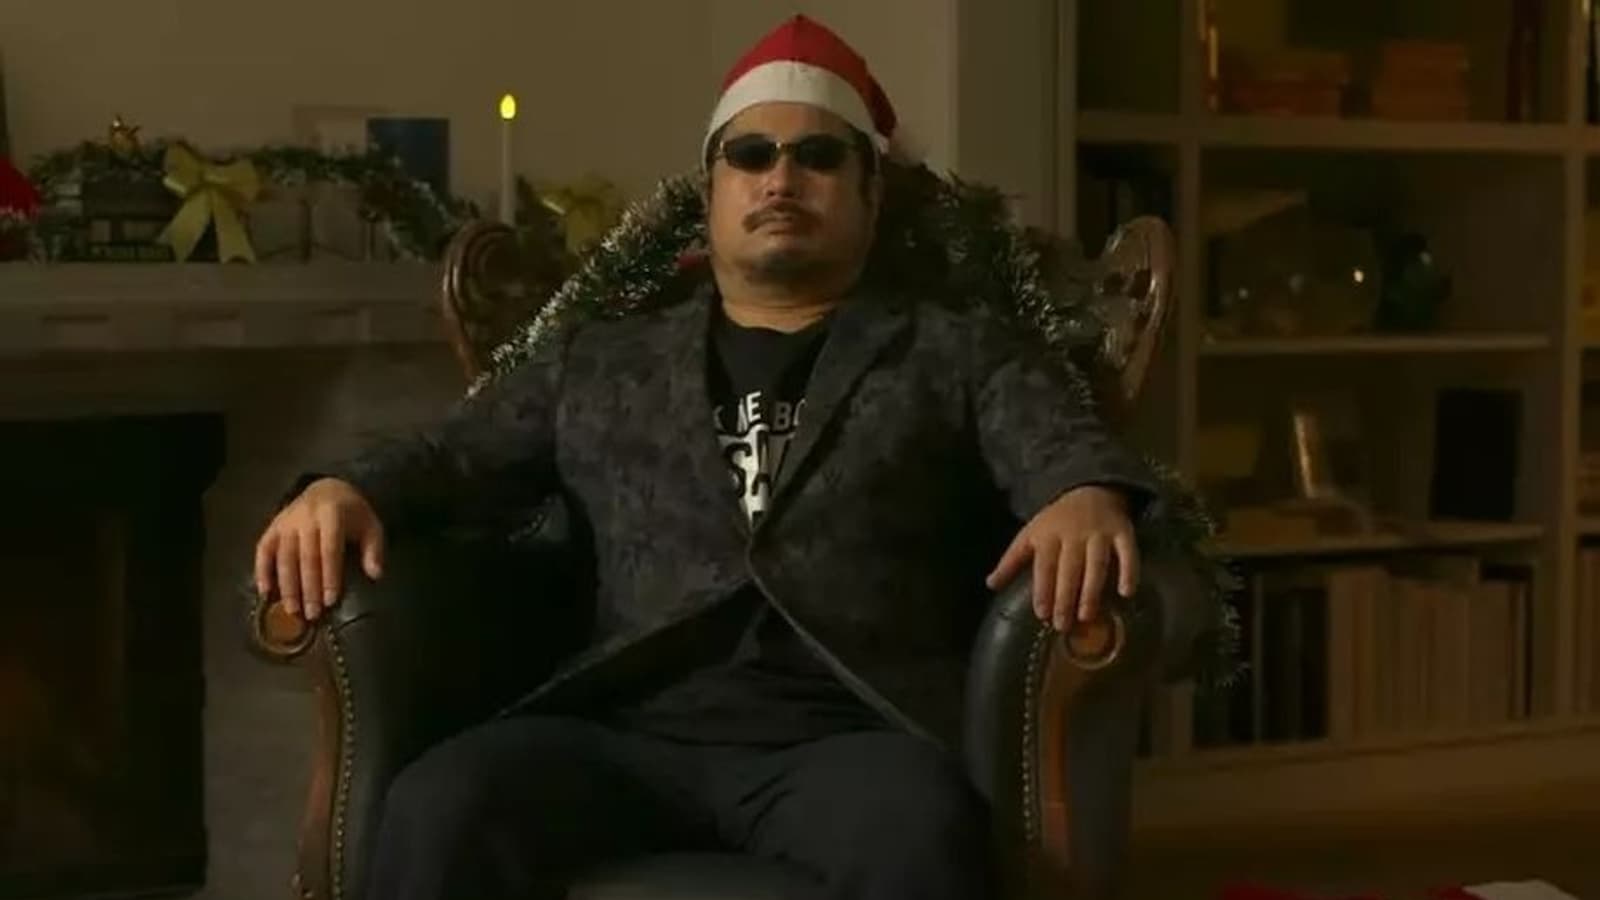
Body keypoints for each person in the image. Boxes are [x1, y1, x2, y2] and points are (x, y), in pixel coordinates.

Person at [254, 14, 1162, 900]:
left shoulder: (957, 350)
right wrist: (343, 489)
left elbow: (1055, 442)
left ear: (871, 194)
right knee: (441, 805)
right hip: (626, 732)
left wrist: (1081, 492)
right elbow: (453, 455)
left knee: (922, 833)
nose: (781, 179)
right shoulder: (600, 358)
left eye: (818, 156)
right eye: (751, 155)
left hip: (844, 741)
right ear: (711, 190)